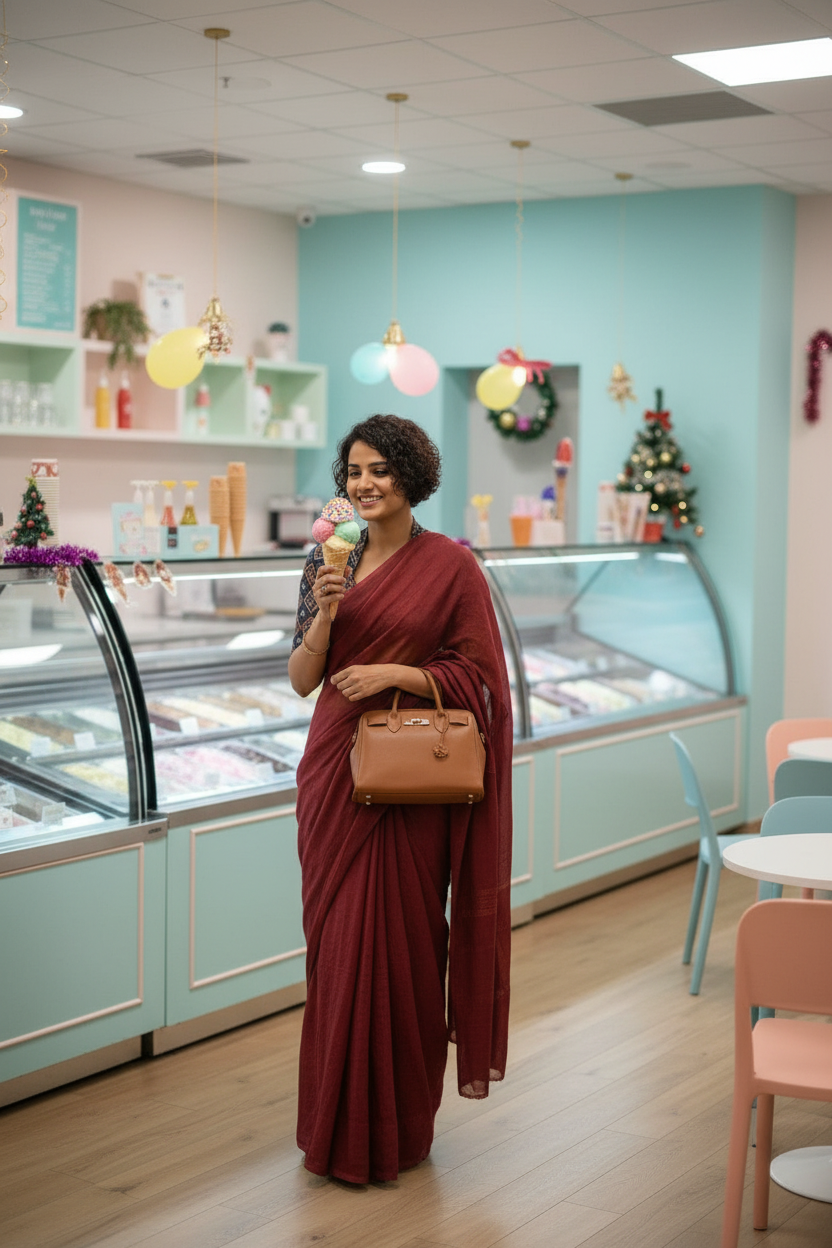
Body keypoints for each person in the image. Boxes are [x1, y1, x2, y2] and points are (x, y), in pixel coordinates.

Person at [288, 413, 512, 1184]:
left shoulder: (451, 566)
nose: (365, 483)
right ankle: (335, 1131)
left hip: (413, 780)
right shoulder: (328, 558)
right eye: (353, 472)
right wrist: (325, 612)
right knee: (340, 954)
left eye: (381, 469)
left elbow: (481, 679)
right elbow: (301, 679)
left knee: (411, 951)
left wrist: (398, 675)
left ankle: (399, 1130)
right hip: (334, 777)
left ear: (411, 475)